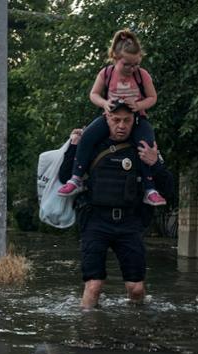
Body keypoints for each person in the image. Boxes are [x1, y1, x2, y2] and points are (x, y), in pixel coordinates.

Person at [58, 100, 174, 308]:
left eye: (127, 120)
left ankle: (135, 330)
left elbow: (168, 189)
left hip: (130, 223)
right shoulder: (91, 145)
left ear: (134, 121)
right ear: (107, 118)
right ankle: (88, 334)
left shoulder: (143, 147)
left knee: (136, 289)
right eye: (116, 120)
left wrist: (154, 162)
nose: (121, 125)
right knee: (93, 286)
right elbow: (65, 176)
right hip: (96, 221)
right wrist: (73, 146)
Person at [57, 28, 167, 207]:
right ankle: (76, 178)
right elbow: (94, 94)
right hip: (110, 115)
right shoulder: (106, 73)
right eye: (127, 65)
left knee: (146, 145)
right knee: (87, 137)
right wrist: (104, 103)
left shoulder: (142, 75)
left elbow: (152, 98)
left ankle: (150, 189)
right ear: (115, 58)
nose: (132, 69)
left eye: (136, 64)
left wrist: (138, 105)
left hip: (137, 118)